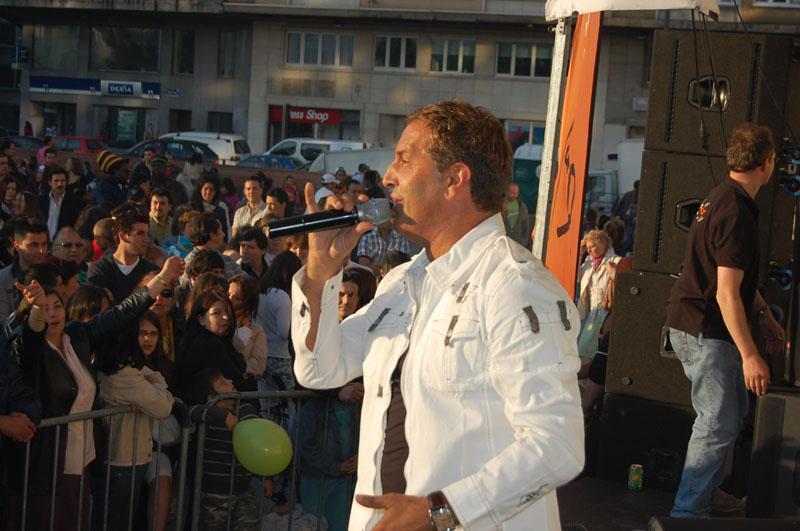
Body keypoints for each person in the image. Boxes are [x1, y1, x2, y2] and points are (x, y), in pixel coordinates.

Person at [291, 100, 583, 530]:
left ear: (454, 179)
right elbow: (320, 369)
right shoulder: (403, 282)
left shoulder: (516, 285)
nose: (387, 176)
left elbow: (557, 444)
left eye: (404, 159)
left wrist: (441, 511)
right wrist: (319, 276)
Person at [8, 257, 183, 531]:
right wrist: (37, 309)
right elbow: (31, 336)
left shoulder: (77, 336)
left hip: (84, 459)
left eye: (57, 306)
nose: (52, 314)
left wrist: (161, 278)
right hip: (47, 463)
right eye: (44, 309)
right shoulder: (30, 351)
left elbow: (121, 314)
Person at [666, 123, 785, 518]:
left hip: (701, 326)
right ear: (767, 163)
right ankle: (687, 513)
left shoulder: (720, 199)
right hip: (705, 329)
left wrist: (763, 316)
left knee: (731, 415)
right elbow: (725, 292)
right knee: (717, 421)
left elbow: (732, 279)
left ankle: (706, 493)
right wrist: (751, 355)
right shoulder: (736, 212)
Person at [186, 368, 260, 531]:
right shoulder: (207, 416)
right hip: (215, 492)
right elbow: (190, 411)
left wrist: (265, 476)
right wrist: (222, 415)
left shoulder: (244, 408)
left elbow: (257, 442)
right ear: (211, 397)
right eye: (222, 382)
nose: (231, 382)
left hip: (243, 488)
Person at [88, 210, 159, 303]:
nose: (146, 239)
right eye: (140, 234)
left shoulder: (151, 271)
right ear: (123, 236)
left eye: (147, 234)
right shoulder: (100, 270)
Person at [0, 218, 49, 319]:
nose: (41, 251)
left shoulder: (55, 274)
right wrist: (22, 308)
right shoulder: (3, 279)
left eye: (44, 244)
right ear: (17, 246)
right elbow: (2, 324)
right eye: (34, 245)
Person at [228, 274, 267, 381]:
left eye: (237, 298)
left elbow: (258, 365)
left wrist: (237, 368)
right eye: (228, 294)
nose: (230, 299)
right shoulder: (218, 324)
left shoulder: (256, 331)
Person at [190, 173, 231, 239]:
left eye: (211, 189)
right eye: (206, 189)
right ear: (200, 189)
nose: (208, 192)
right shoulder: (192, 207)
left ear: (215, 192)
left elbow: (226, 233)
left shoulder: (221, 210)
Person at [502, 182, 532, 248]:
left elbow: (526, 226)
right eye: (512, 193)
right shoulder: (499, 206)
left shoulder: (522, 207)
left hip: (518, 245)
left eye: (517, 193)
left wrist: (524, 242)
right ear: (506, 192)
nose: (515, 196)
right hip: (503, 245)